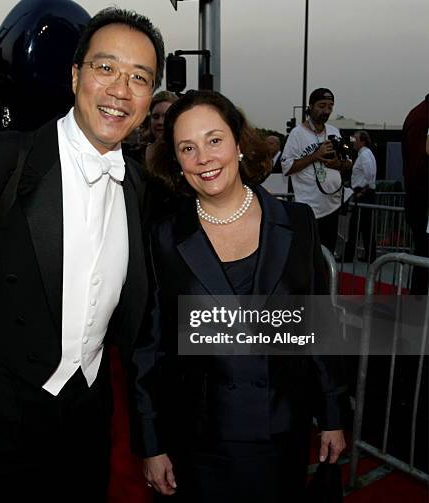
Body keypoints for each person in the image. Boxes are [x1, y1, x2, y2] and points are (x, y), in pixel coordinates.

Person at [0, 7, 164, 502]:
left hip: (89, 421)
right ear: (74, 76)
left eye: (139, 77)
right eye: (105, 68)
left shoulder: (137, 185)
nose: (120, 90)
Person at [131, 90, 347, 502]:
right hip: (198, 440)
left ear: (238, 142)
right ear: (176, 162)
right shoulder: (162, 236)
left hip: (282, 432)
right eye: (187, 148)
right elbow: (150, 348)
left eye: (214, 140)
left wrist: (333, 413)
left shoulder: (298, 223)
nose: (204, 158)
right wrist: (152, 442)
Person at [281, 88, 353, 253]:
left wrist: (337, 164)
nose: (326, 111)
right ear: (311, 106)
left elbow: (348, 163)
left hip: (332, 204)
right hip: (310, 208)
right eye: (322, 106)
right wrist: (315, 156)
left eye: (330, 106)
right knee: (309, 257)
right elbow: (287, 168)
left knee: (328, 255)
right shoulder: (297, 134)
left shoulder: (334, 131)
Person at [401, 95, 428, 294]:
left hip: (420, 202)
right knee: (423, 265)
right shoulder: (421, 118)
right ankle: (414, 320)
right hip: (423, 204)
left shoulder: (418, 115)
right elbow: (419, 167)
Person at [345, 130, 377, 262]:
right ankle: (370, 256)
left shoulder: (364, 155)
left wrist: (361, 192)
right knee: (365, 227)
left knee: (355, 226)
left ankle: (348, 256)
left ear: (362, 141)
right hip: (364, 193)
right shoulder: (365, 154)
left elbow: (370, 176)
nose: (353, 142)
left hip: (363, 194)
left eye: (355, 139)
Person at [145, 90, 177, 171]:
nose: (160, 122)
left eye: (166, 117)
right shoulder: (135, 154)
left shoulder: (184, 154)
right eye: (156, 117)